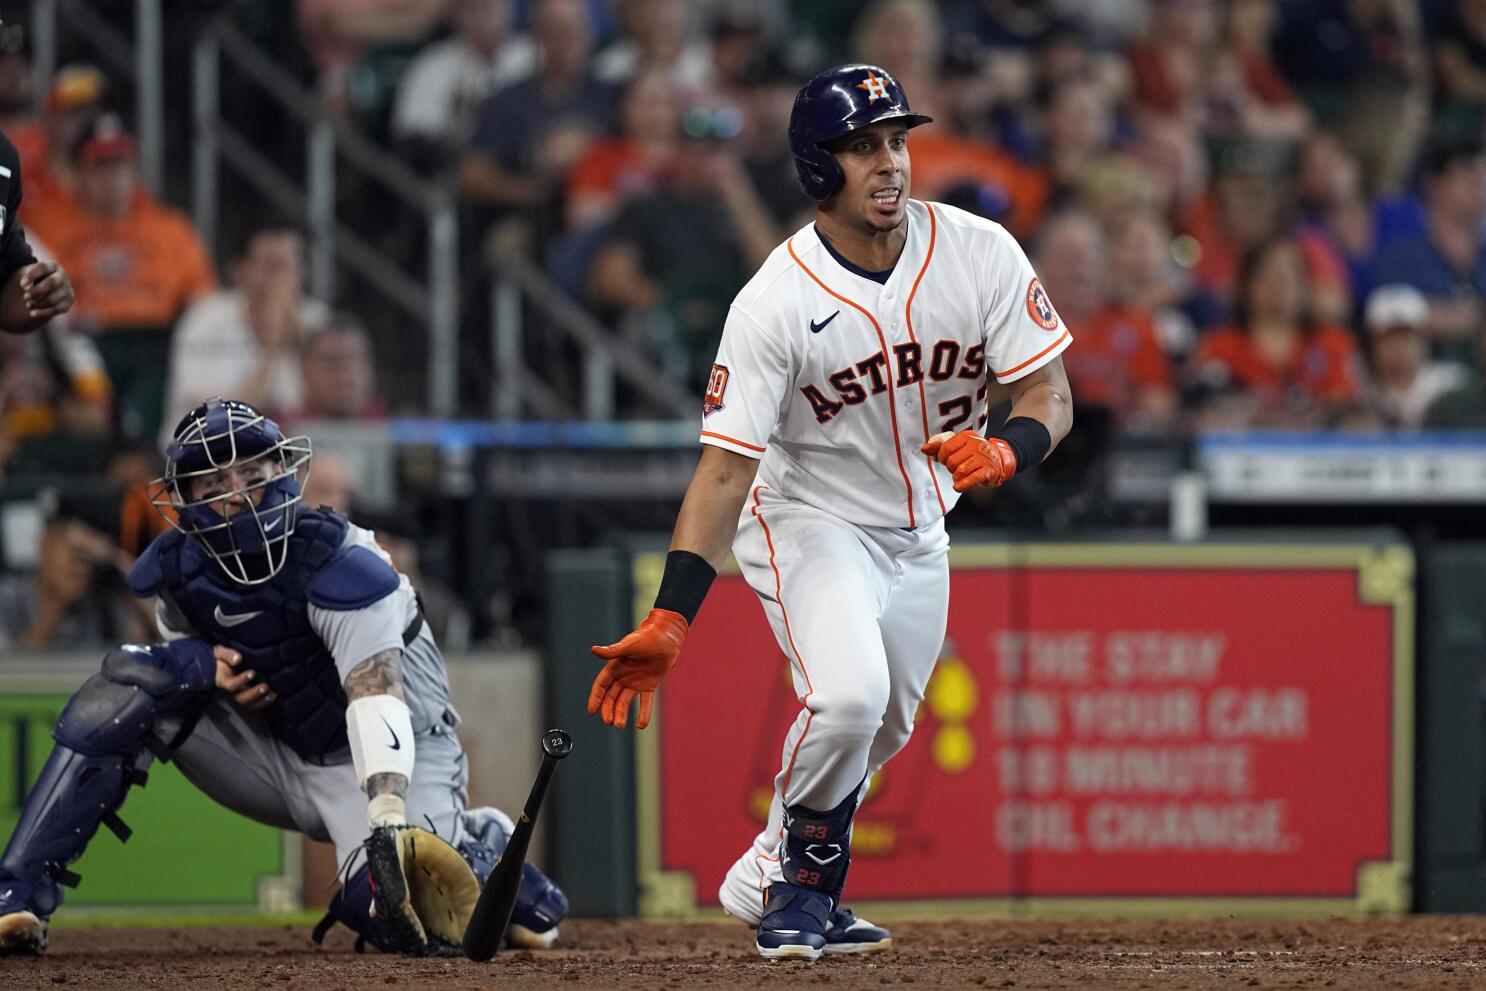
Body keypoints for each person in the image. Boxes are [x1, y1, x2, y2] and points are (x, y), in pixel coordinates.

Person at [586, 65, 1073, 959]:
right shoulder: (775, 300)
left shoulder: (978, 250)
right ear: (818, 169)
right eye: (862, 147)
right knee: (849, 698)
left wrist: (1010, 448)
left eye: (896, 140)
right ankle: (804, 888)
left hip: (920, 526)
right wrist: (671, 611)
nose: (889, 163)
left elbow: (1048, 390)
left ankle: (770, 860)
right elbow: (725, 472)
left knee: (884, 724)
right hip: (807, 514)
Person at [0, 398, 566, 957]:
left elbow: (376, 696)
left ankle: (479, 845)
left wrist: (389, 819)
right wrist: (203, 667)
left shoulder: (339, 559)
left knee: (406, 917)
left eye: (252, 472)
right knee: (130, 683)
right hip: (281, 749)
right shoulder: (176, 575)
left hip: (398, 753)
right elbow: (182, 670)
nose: (240, 493)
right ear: (187, 497)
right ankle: (16, 892)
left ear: (282, 472)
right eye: (215, 481)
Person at [162, 225, 328, 437]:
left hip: (299, 453)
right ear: (239, 270)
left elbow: (336, 410)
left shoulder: (318, 322)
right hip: (209, 452)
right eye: (270, 266)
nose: (279, 280)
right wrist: (272, 348)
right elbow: (227, 422)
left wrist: (303, 346)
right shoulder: (205, 321)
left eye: (288, 266)